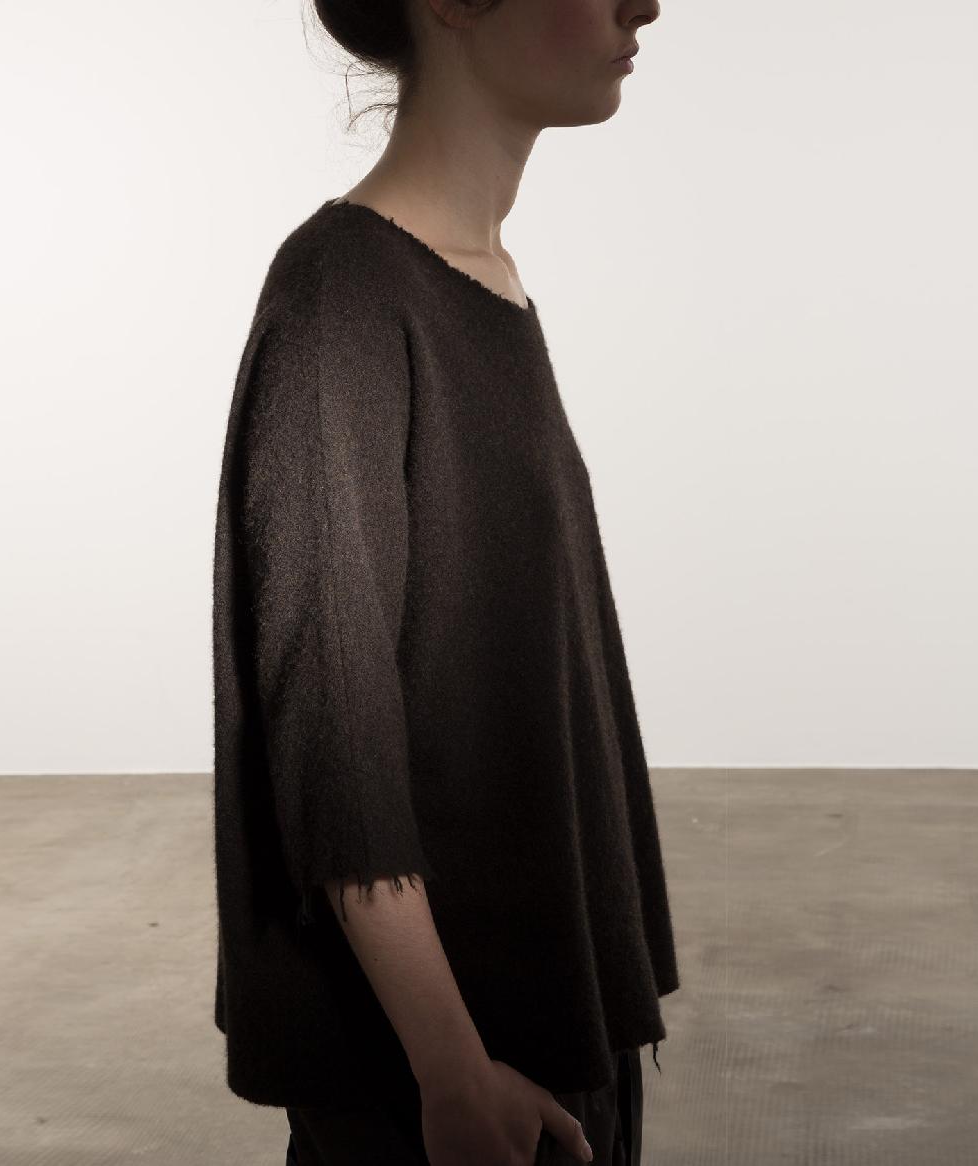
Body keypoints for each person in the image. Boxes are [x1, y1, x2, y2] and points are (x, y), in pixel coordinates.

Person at [211, 1, 678, 1164]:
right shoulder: (343, 294)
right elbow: (331, 727)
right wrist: (452, 1069)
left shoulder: (485, 280)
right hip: (445, 1083)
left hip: (547, 1028)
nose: (646, 4)